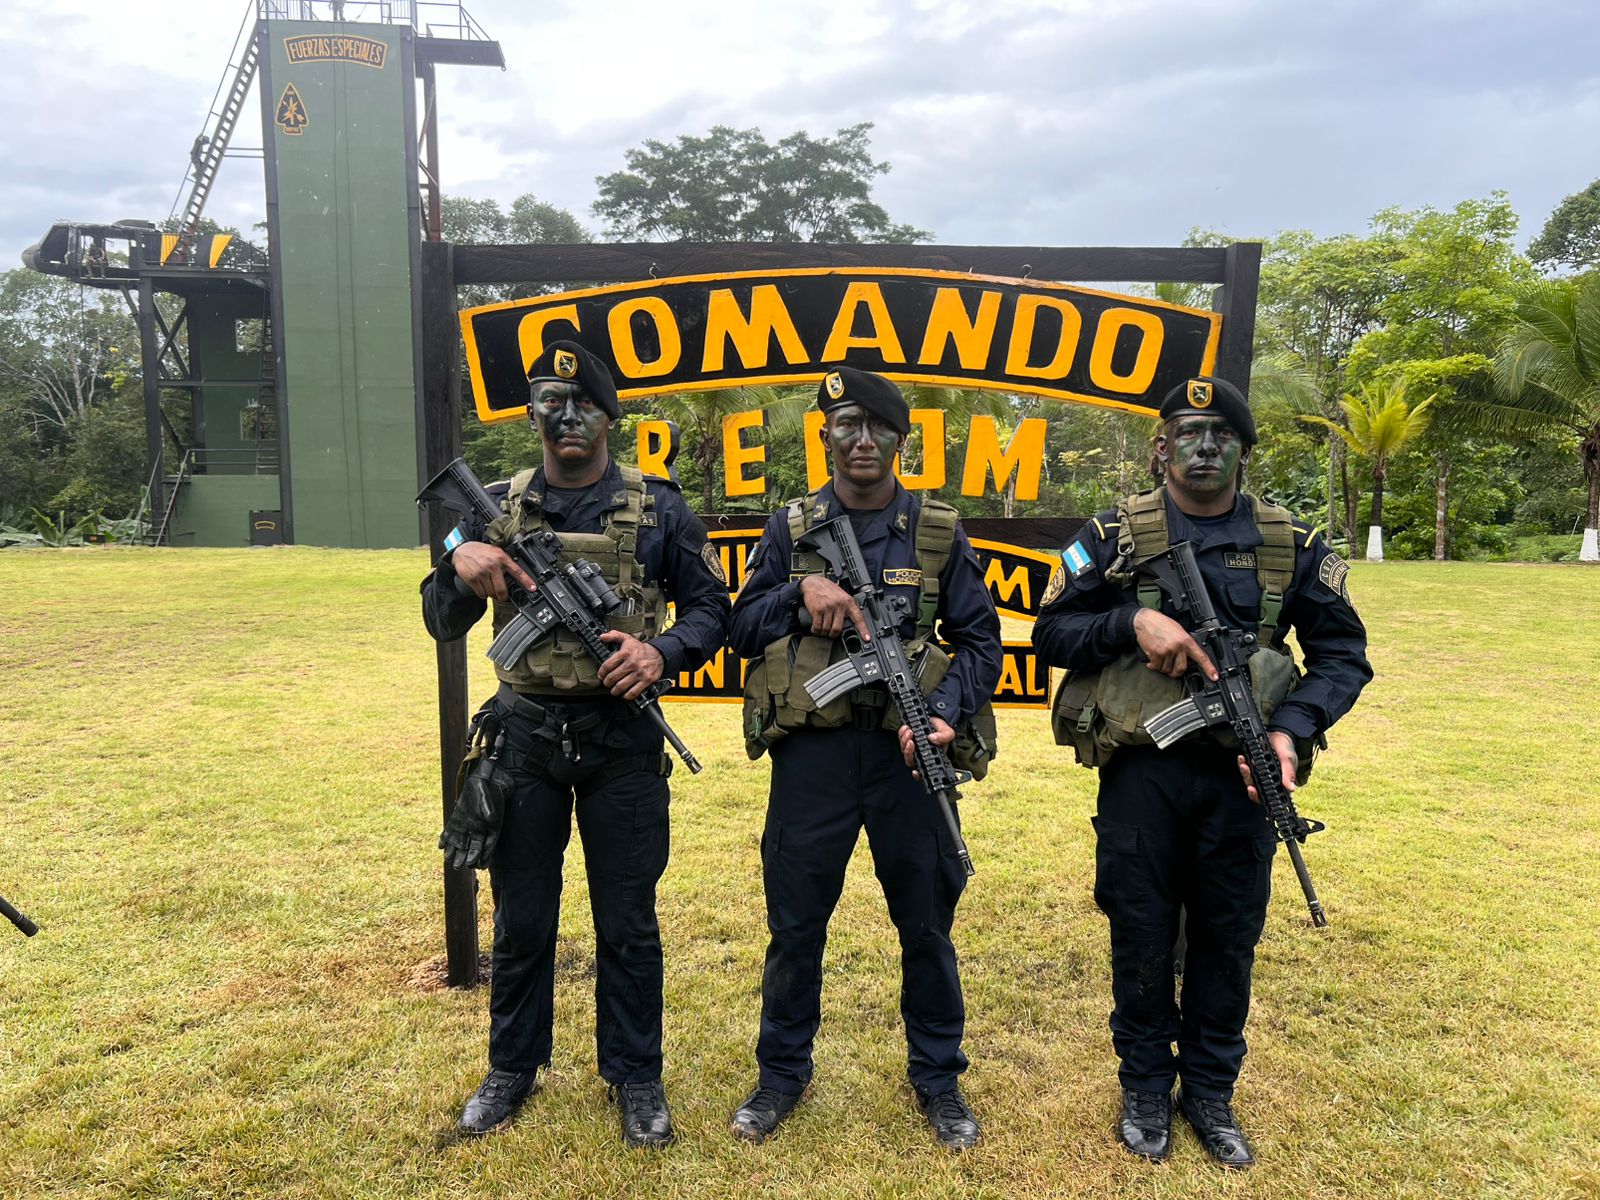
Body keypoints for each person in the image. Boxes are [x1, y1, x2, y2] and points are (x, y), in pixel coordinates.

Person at [1031, 376, 1371, 1169]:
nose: (1206, 446)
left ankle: (1211, 1093)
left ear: (1244, 451)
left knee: (1228, 935)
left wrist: (1291, 728)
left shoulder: (1290, 542)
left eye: (1223, 434)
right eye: (1189, 432)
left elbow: (1343, 655)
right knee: (1141, 929)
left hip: (1241, 779)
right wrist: (1131, 619)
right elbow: (1049, 628)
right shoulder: (1116, 534)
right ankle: (1146, 1087)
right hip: (1142, 771)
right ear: (1162, 447)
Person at [420, 340, 731, 1146]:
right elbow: (439, 620)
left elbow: (713, 611)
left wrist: (659, 651)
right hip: (524, 740)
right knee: (522, 919)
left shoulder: (661, 511)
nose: (565, 418)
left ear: (608, 414)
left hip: (622, 742)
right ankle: (510, 1070)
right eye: (550, 404)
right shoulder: (490, 508)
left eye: (582, 403)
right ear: (532, 416)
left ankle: (635, 1076)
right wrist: (461, 565)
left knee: (628, 921)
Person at [727, 366, 1003, 1151]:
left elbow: (981, 641)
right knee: (796, 924)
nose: (860, 440)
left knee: (926, 923)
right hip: (813, 758)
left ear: (900, 440)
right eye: (844, 425)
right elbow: (740, 627)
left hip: (907, 761)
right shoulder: (793, 526)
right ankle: (781, 1075)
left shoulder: (939, 530)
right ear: (826, 436)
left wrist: (944, 714)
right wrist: (797, 595)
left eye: (876, 427)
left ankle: (939, 1079)